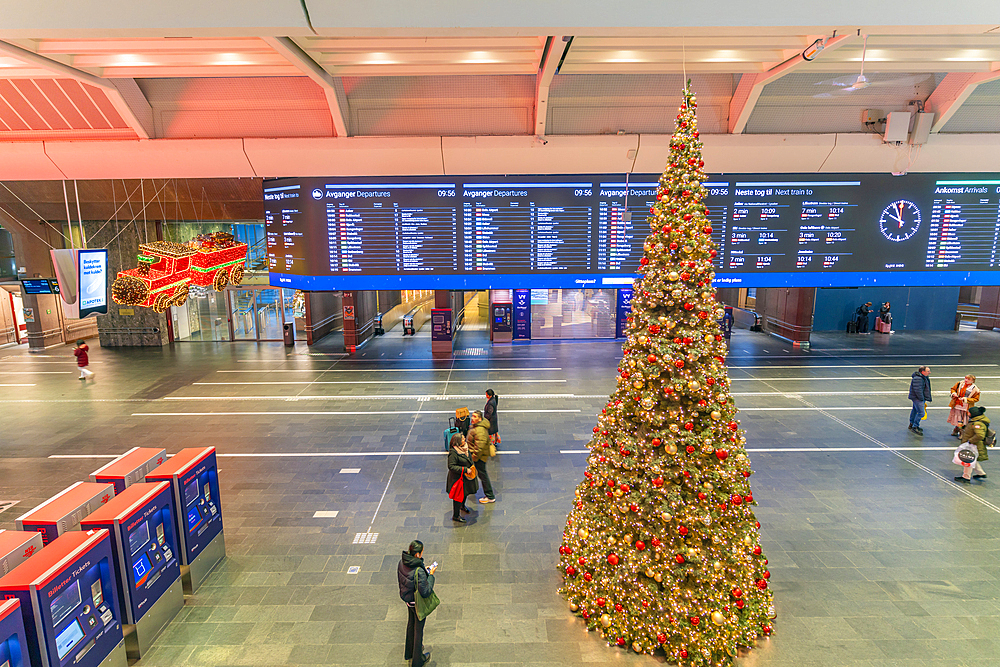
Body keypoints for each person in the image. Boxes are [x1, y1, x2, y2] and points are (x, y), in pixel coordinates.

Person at [397, 540, 436, 667]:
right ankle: (418, 660)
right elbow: (425, 591)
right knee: (418, 630)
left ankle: (409, 652)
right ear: (418, 555)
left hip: (407, 599)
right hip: (417, 603)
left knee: (411, 624)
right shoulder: (418, 570)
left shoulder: (402, 562)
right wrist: (430, 576)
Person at [446, 433, 476, 523]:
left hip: (465, 478)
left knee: (465, 493)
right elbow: (451, 466)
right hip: (458, 479)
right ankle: (456, 516)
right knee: (458, 497)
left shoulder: (465, 448)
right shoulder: (453, 452)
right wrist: (464, 469)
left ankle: (462, 506)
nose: (464, 440)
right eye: (462, 439)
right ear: (458, 442)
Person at [955, 405, 989, 483]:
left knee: (968, 459)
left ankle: (966, 477)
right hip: (972, 444)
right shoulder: (974, 421)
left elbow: (980, 435)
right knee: (972, 458)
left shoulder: (977, 424)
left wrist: (970, 441)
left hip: (973, 445)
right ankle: (981, 473)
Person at [468, 409, 496, 504]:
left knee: (483, 475)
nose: (472, 418)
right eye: (473, 416)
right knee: (481, 474)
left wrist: (474, 458)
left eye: (475, 417)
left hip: (479, 457)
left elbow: (479, 447)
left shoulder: (479, 430)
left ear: (480, 419)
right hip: (478, 456)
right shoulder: (478, 427)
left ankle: (490, 495)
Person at [908, 365, 932, 435]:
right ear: (923, 372)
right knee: (921, 413)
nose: (929, 372)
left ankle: (911, 424)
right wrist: (922, 398)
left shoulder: (922, 377)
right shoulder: (919, 379)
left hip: (916, 398)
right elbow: (918, 390)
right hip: (918, 398)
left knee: (915, 410)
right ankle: (915, 426)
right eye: (928, 371)